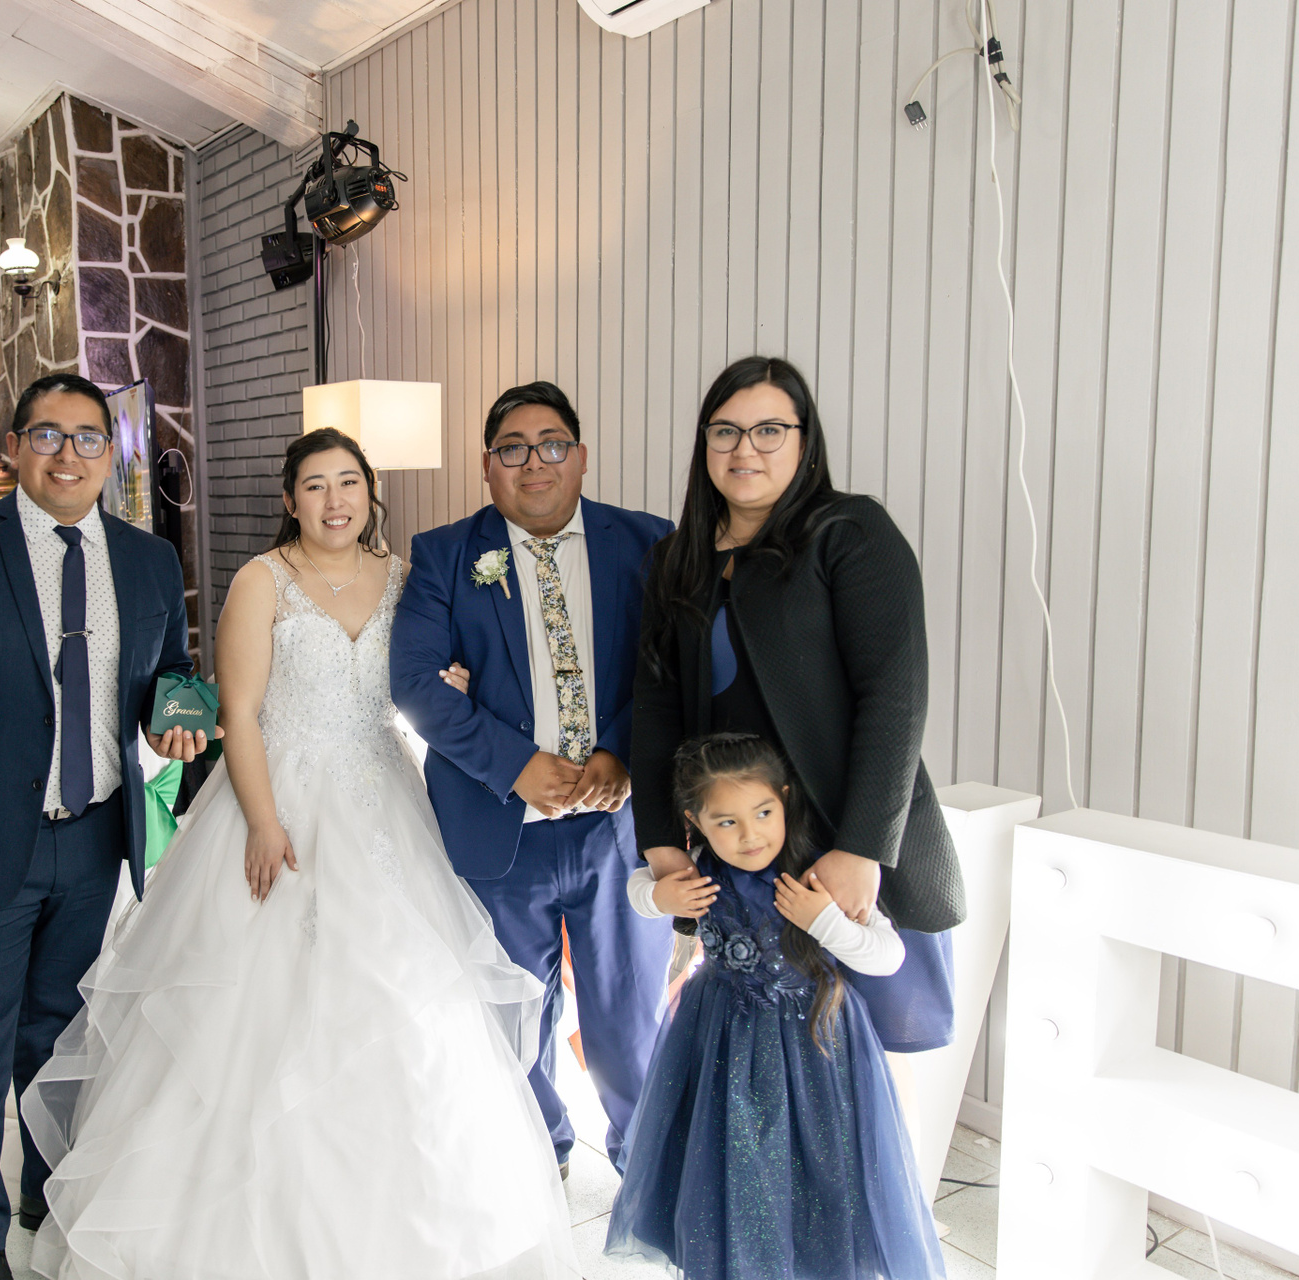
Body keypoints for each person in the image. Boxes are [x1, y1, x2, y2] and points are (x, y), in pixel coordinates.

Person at [18, 429, 574, 1279]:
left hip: (384, 799)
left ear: (370, 492)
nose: (334, 500)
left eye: (348, 482)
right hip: (277, 793)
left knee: (400, 993)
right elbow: (240, 713)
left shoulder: (405, 577)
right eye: (315, 485)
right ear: (291, 500)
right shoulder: (262, 580)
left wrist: (452, 684)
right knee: (253, 1007)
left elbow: (426, 681)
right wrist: (263, 821)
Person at [0, 372, 212, 1280]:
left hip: (94, 837)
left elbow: (169, 673)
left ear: (111, 451)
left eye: (88, 437)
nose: (69, 455)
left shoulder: (147, 560)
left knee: (58, 1035)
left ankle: (45, 1189)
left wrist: (176, 719)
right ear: (15, 447)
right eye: (48, 435)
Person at [631, 356, 964, 1058]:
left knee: (869, 1051)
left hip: (844, 841)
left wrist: (862, 849)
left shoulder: (850, 533)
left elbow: (895, 699)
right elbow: (656, 709)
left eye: (769, 430)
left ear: (804, 441)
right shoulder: (676, 559)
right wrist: (660, 840)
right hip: (743, 846)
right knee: (766, 1049)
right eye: (725, 431)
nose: (744, 449)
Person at [389, 381, 675, 1176]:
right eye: (512, 449)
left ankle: (644, 1162)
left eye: (551, 445)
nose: (534, 463)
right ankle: (538, 1154)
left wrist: (620, 751)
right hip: (498, 830)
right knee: (514, 1015)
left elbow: (673, 669)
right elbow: (414, 684)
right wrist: (515, 767)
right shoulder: (445, 554)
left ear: (580, 457)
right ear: (487, 466)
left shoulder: (650, 543)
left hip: (620, 832)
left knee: (629, 1014)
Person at [607, 733, 944, 1278]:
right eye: (727, 822)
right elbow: (638, 888)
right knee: (731, 1164)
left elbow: (888, 956)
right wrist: (657, 897)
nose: (749, 835)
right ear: (694, 821)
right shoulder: (698, 867)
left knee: (817, 1171)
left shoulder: (820, 873)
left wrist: (825, 922)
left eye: (763, 813)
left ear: (785, 798)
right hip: (720, 1038)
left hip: (815, 1048)